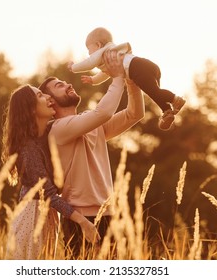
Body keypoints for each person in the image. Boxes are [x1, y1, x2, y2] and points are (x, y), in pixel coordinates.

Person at [39, 50, 145, 259]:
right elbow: (103, 112)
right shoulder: (57, 129)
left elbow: (135, 113)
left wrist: (130, 79)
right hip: (80, 219)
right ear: (50, 101)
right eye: (60, 85)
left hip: (109, 213)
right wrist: (116, 77)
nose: (68, 84)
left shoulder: (91, 122)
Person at [1, 84, 100, 260]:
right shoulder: (27, 148)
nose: (49, 98)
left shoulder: (49, 133)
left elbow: (76, 124)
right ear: (30, 110)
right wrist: (84, 222)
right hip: (33, 217)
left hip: (47, 216)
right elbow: (47, 194)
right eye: (40, 95)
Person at [68, 26, 186, 131]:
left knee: (154, 91)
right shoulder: (111, 56)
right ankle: (166, 110)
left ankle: (175, 99)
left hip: (137, 68)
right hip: (145, 65)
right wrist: (94, 80)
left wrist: (73, 67)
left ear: (98, 45)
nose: (90, 54)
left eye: (89, 50)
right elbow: (107, 73)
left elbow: (89, 63)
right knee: (154, 93)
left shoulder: (104, 52)